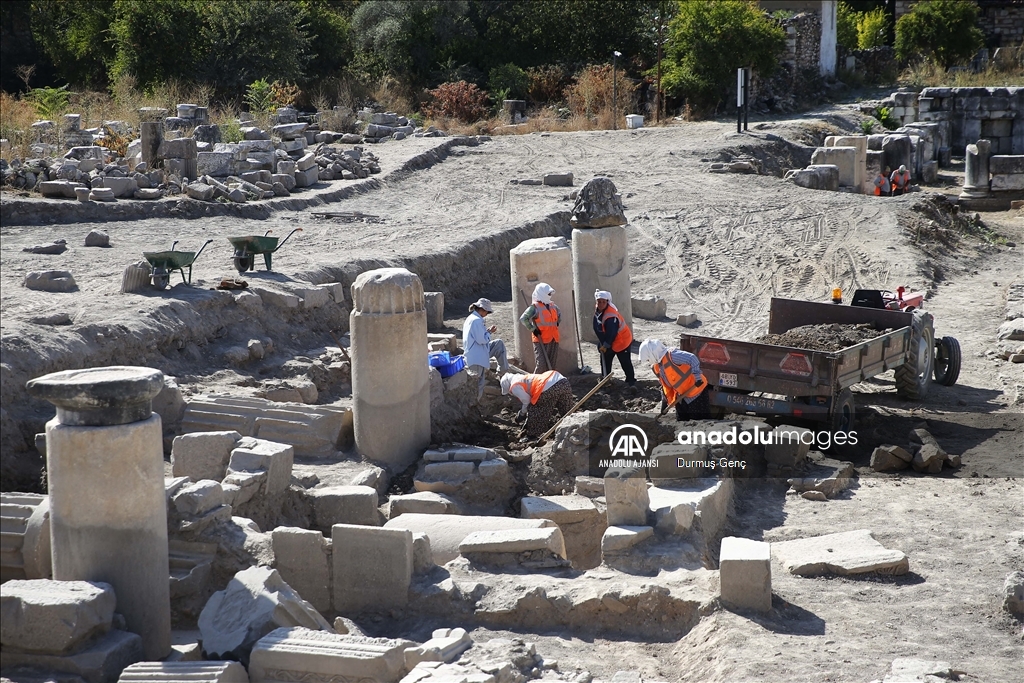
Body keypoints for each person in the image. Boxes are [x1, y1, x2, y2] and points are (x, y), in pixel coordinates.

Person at [638, 339, 709, 421]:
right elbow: (664, 385)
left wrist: (697, 378)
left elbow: (692, 358)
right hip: (681, 397)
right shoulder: (656, 367)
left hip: (696, 391)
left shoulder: (672, 356)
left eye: (647, 359)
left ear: (652, 354)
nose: (648, 362)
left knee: (700, 421)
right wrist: (664, 402)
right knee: (681, 422)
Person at [500, 370, 575, 438]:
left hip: (548, 388)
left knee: (535, 409)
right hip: (562, 381)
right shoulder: (520, 377)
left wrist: (522, 414)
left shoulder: (514, 386)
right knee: (567, 411)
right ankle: (574, 428)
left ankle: (534, 434)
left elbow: (527, 401)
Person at [463, 298, 510, 401]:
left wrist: (487, 331)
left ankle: (502, 373)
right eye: (487, 312)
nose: (487, 314)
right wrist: (489, 333)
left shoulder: (473, 318)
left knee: (499, 344)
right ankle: (474, 408)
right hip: (476, 357)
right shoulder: (476, 321)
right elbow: (481, 340)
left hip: (478, 352)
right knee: (478, 385)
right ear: (483, 310)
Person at [593, 290, 635, 385]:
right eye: (599, 302)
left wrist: (606, 345)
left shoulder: (611, 316)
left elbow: (611, 333)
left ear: (607, 302)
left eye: (603, 302)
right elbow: (597, 326)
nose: (601, 304)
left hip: (622, 341)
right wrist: (601, 343)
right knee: (605, 359)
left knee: (625, 362)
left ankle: (631, 382)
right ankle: (605, 379)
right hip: (611, 340)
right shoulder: (598, 311)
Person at [518, 282, 560, 372]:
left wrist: (557, 323)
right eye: (548, 294)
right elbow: (523, 319)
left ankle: (549, 384)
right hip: (540, 339)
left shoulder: (553, 306)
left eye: (550, 294)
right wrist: (533, 330)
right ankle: (535, 383)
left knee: (551, 365)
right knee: (541, 365)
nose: (549, 295)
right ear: (542, 293)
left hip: (553, 338)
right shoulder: (534, 308)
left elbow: (559, 315)